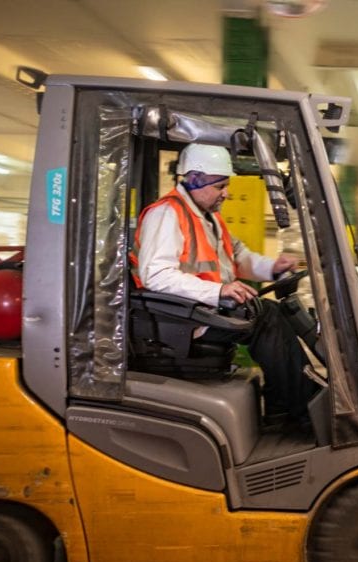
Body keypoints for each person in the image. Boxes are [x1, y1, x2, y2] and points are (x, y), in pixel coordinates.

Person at [131, 143, 317, 427]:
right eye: (220, 186)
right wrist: (217, 291)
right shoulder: (167, 214)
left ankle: (285, 404)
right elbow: (155, 275)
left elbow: (237, 257)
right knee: (265, 318)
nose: (226, 193)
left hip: (200, 310)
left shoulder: (209, 217)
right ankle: (304, 411)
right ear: (194, 179)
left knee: (273, 312)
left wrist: (271, 267)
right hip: (178, 322)